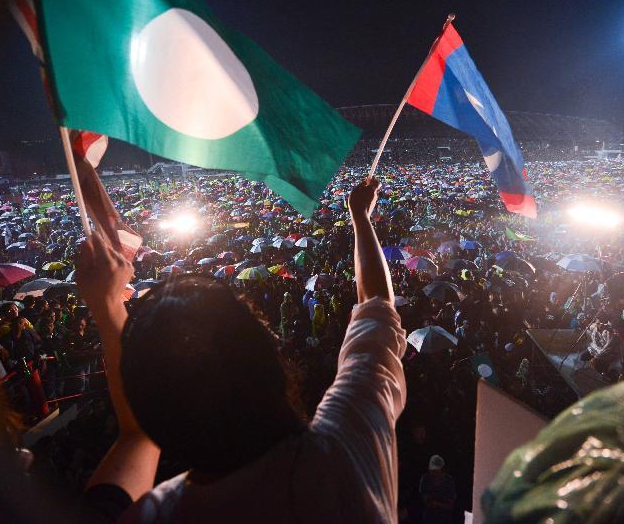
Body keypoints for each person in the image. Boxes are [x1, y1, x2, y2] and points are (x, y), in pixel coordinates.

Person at [76, 178, 406, 522]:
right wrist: (360, 217)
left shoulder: (152, 514)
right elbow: (377, 303)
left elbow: (135, 435)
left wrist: (106, 305)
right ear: (272, 357)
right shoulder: (345, 448)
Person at [418, 455, 456, 524]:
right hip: (429, 518)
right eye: (432, 471)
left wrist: (437, 504)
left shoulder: (448, 480)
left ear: (442, 470)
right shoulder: (425, 479)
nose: (434, 474)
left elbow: (451, 506)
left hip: (445, 519)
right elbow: (426, 502)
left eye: (436, 471)